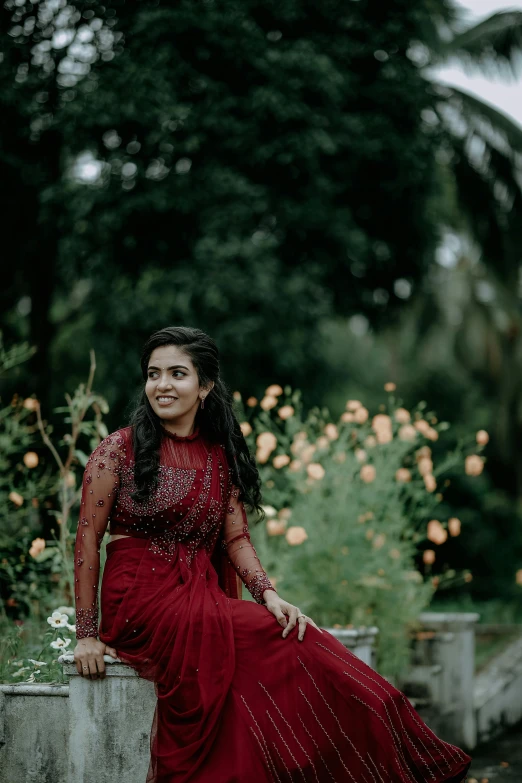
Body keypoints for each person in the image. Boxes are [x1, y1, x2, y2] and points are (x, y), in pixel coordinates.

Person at [73, 325, 472, 783]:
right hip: (139, 600)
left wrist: (270, 595)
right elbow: (86, 541)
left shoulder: (217, 455)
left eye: (177, 373)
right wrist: (87, 634)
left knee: (295, 636)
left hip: (197, 596)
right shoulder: (118, 451)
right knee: (268, 638)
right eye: (153, 374)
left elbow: (236, 539)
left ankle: (396, 741)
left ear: (204, 386)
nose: (162, 385)